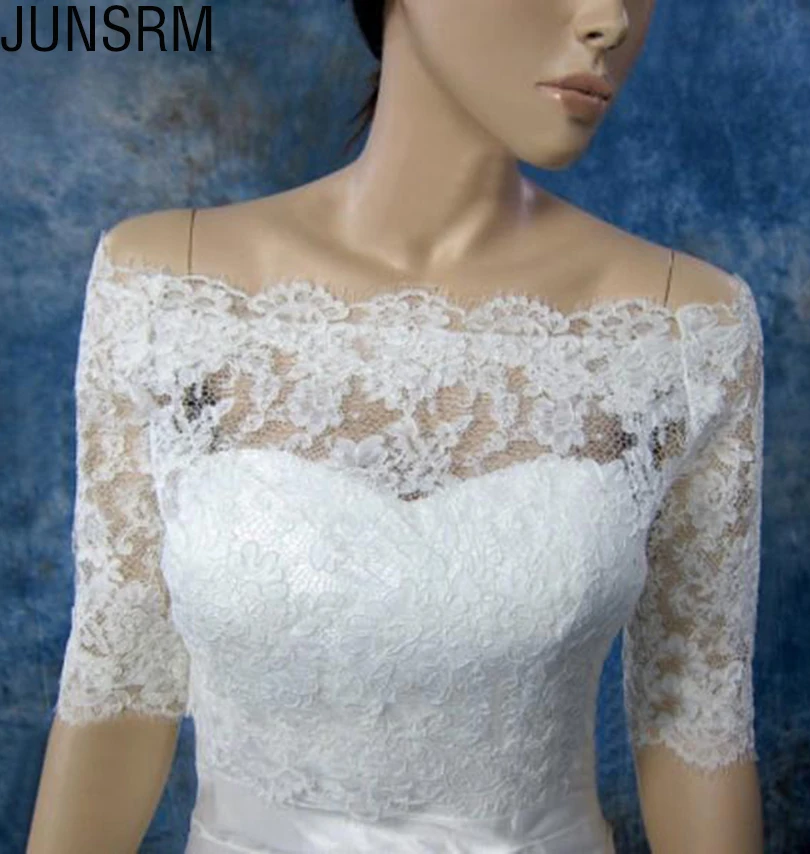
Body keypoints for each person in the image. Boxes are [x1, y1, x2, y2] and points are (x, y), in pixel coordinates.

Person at [27, 1, 766, 852]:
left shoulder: (684, 331)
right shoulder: (166, 291)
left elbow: (694, 724)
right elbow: (120, 681)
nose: (609, 18)